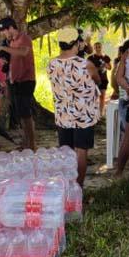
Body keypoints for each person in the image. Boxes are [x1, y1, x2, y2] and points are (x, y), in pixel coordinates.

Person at [47, 28, 101, 187]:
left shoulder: (52, 64)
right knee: (81, 151)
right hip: (83, 115)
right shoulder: (86, 64)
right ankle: (78, 188)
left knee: (66, 152)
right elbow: (97, 80)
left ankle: (66, 186)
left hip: (63, 114)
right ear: (77, 43)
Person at [0, 17, 37, 150]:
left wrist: (3, 47)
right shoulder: (11, 42)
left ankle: (32, 145)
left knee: (26, 115)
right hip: (15, 82)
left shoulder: (23, 38)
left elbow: (23, 52)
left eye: (3, 30)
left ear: (10, 28)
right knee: (21, 115)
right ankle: (26, 143)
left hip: (26, 81)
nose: (2, 33)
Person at [114, 40, 129, 181]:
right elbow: (118, 78)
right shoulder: (125, 61)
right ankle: (120, 171)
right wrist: (128, 87)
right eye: (128, 51)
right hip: (128, 102)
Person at [88, 42, 111, 112]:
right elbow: (88, 69)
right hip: (94, 80)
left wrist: (106, 65)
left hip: (103, 79)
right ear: (94, 48)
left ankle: (101, 114)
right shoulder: (91, 58)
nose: (98, 48)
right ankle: (92, 113)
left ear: (101, 48)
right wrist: (98, 68)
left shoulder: (106, 57)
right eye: (96, 47)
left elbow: (110, 67)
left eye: (99, 47)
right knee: (93, 97)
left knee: (102, 97)